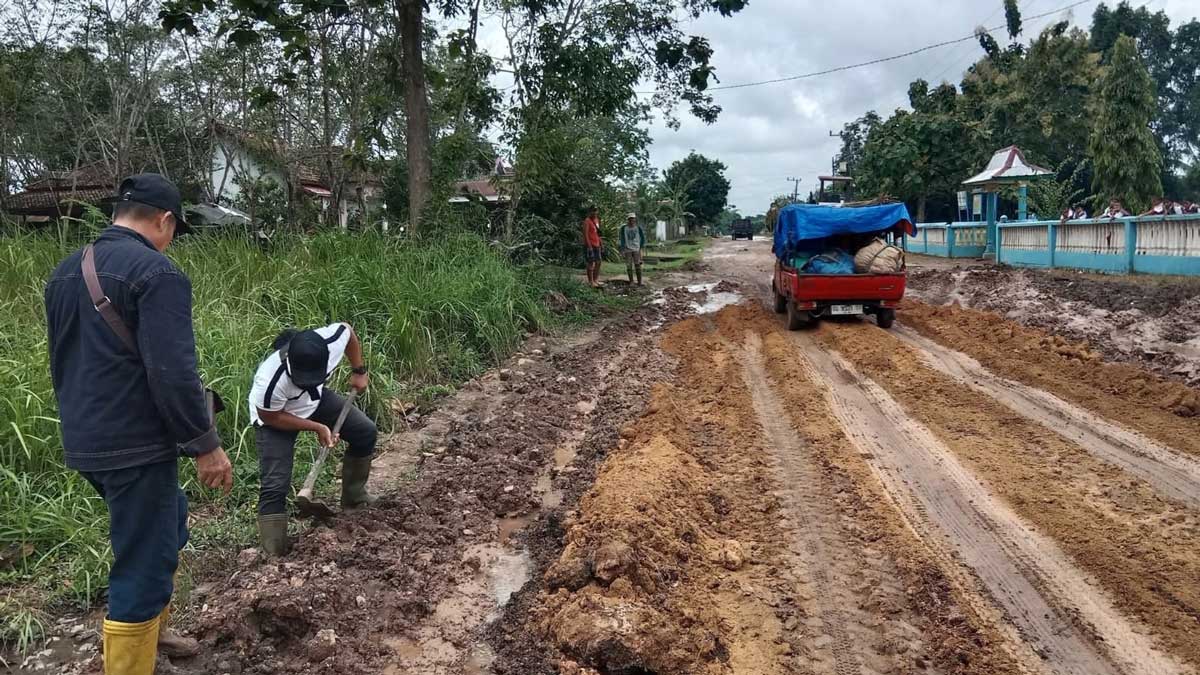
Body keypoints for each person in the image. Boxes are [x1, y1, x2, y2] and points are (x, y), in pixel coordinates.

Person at [44, 174, 233, 675]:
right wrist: (205, 445)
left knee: (168, 521)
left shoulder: (64, 272)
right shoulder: (157, 272)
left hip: (86, 436)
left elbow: (62, 359)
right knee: (144, 561)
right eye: (175, 228)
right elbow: (172, 372)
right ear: (165, 220)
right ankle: (131, 658)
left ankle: (153, 631)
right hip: (136, 444)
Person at [248, 323, 376, 556]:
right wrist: (317, 427)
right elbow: (271, 416)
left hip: (314, 401)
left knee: (365, 432)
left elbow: (347, 331)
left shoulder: (330, 341)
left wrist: (359, 370)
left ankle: (355, 499)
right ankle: (274, 553)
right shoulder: (269, 382)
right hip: (276, 418)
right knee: (275, 485)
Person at [619, 213, 646, 286]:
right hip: (627, 248)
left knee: (637, 265)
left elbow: (642, 237)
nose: (631, 220)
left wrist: (641, 246)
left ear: (635, 219)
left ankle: (639, 282)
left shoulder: (638, 228)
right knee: (629, 265)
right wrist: (622, 249)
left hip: (636, 248)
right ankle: (631, 281)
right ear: (628, 220)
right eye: (630, 219)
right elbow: (621, 239)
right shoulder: (624, 228)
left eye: (633, 219)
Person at [582, 206, 603, 288]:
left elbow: (597, 233)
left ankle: (595, 279)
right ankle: (590, 281)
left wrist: (601, 243)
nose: (594, 213)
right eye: (593, 211)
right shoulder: (587, 221)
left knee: (598, 262)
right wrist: (589, 246)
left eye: (596, 211)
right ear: (590, 212)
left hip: (597, 244)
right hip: (590, 245)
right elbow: (585, 234)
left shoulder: (597, 220)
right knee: (591, 262)